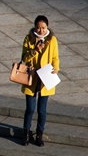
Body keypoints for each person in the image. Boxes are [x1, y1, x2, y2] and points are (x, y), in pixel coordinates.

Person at [20, 15, 59, 147]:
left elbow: (55, 57)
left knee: (42, 110)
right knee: (30, 108)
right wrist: (35, 50)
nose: (41, 30)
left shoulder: (52, 39)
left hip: (45, 77)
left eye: (43, 28)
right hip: (32, 77)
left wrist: (56, 68)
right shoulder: (29, 38)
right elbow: (25, 58)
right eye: (38, 28)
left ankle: (39, 134)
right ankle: (25, 133)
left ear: (47, 27)